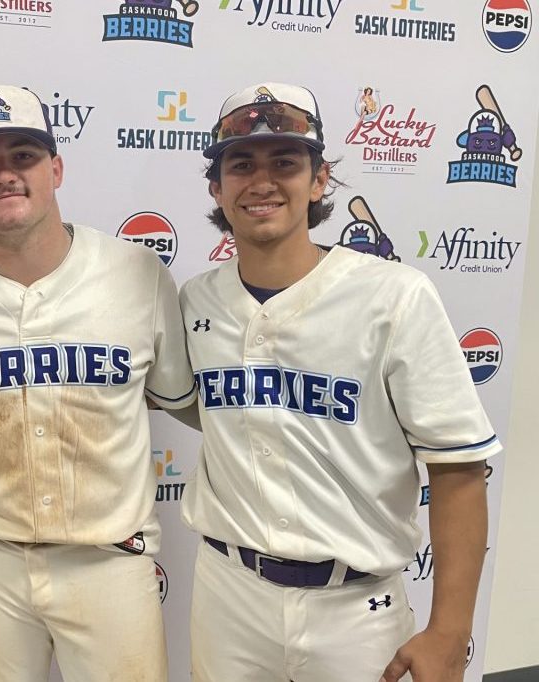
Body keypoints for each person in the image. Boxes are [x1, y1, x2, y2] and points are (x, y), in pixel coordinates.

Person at [177, 81, 499, 682]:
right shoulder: (196, 300)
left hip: (356, 606)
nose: (262, 181)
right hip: (228, 594)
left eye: (285, 162)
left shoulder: (394, 296)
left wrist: (451, 631)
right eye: (241, 165)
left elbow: (458, 468)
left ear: (319, 180)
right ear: (216, 188)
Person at [0, 84, 197, 682]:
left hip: (110, 558)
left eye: (22, 156)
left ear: (56, 168)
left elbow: (184, 400)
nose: (3, 175)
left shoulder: (137, 275)